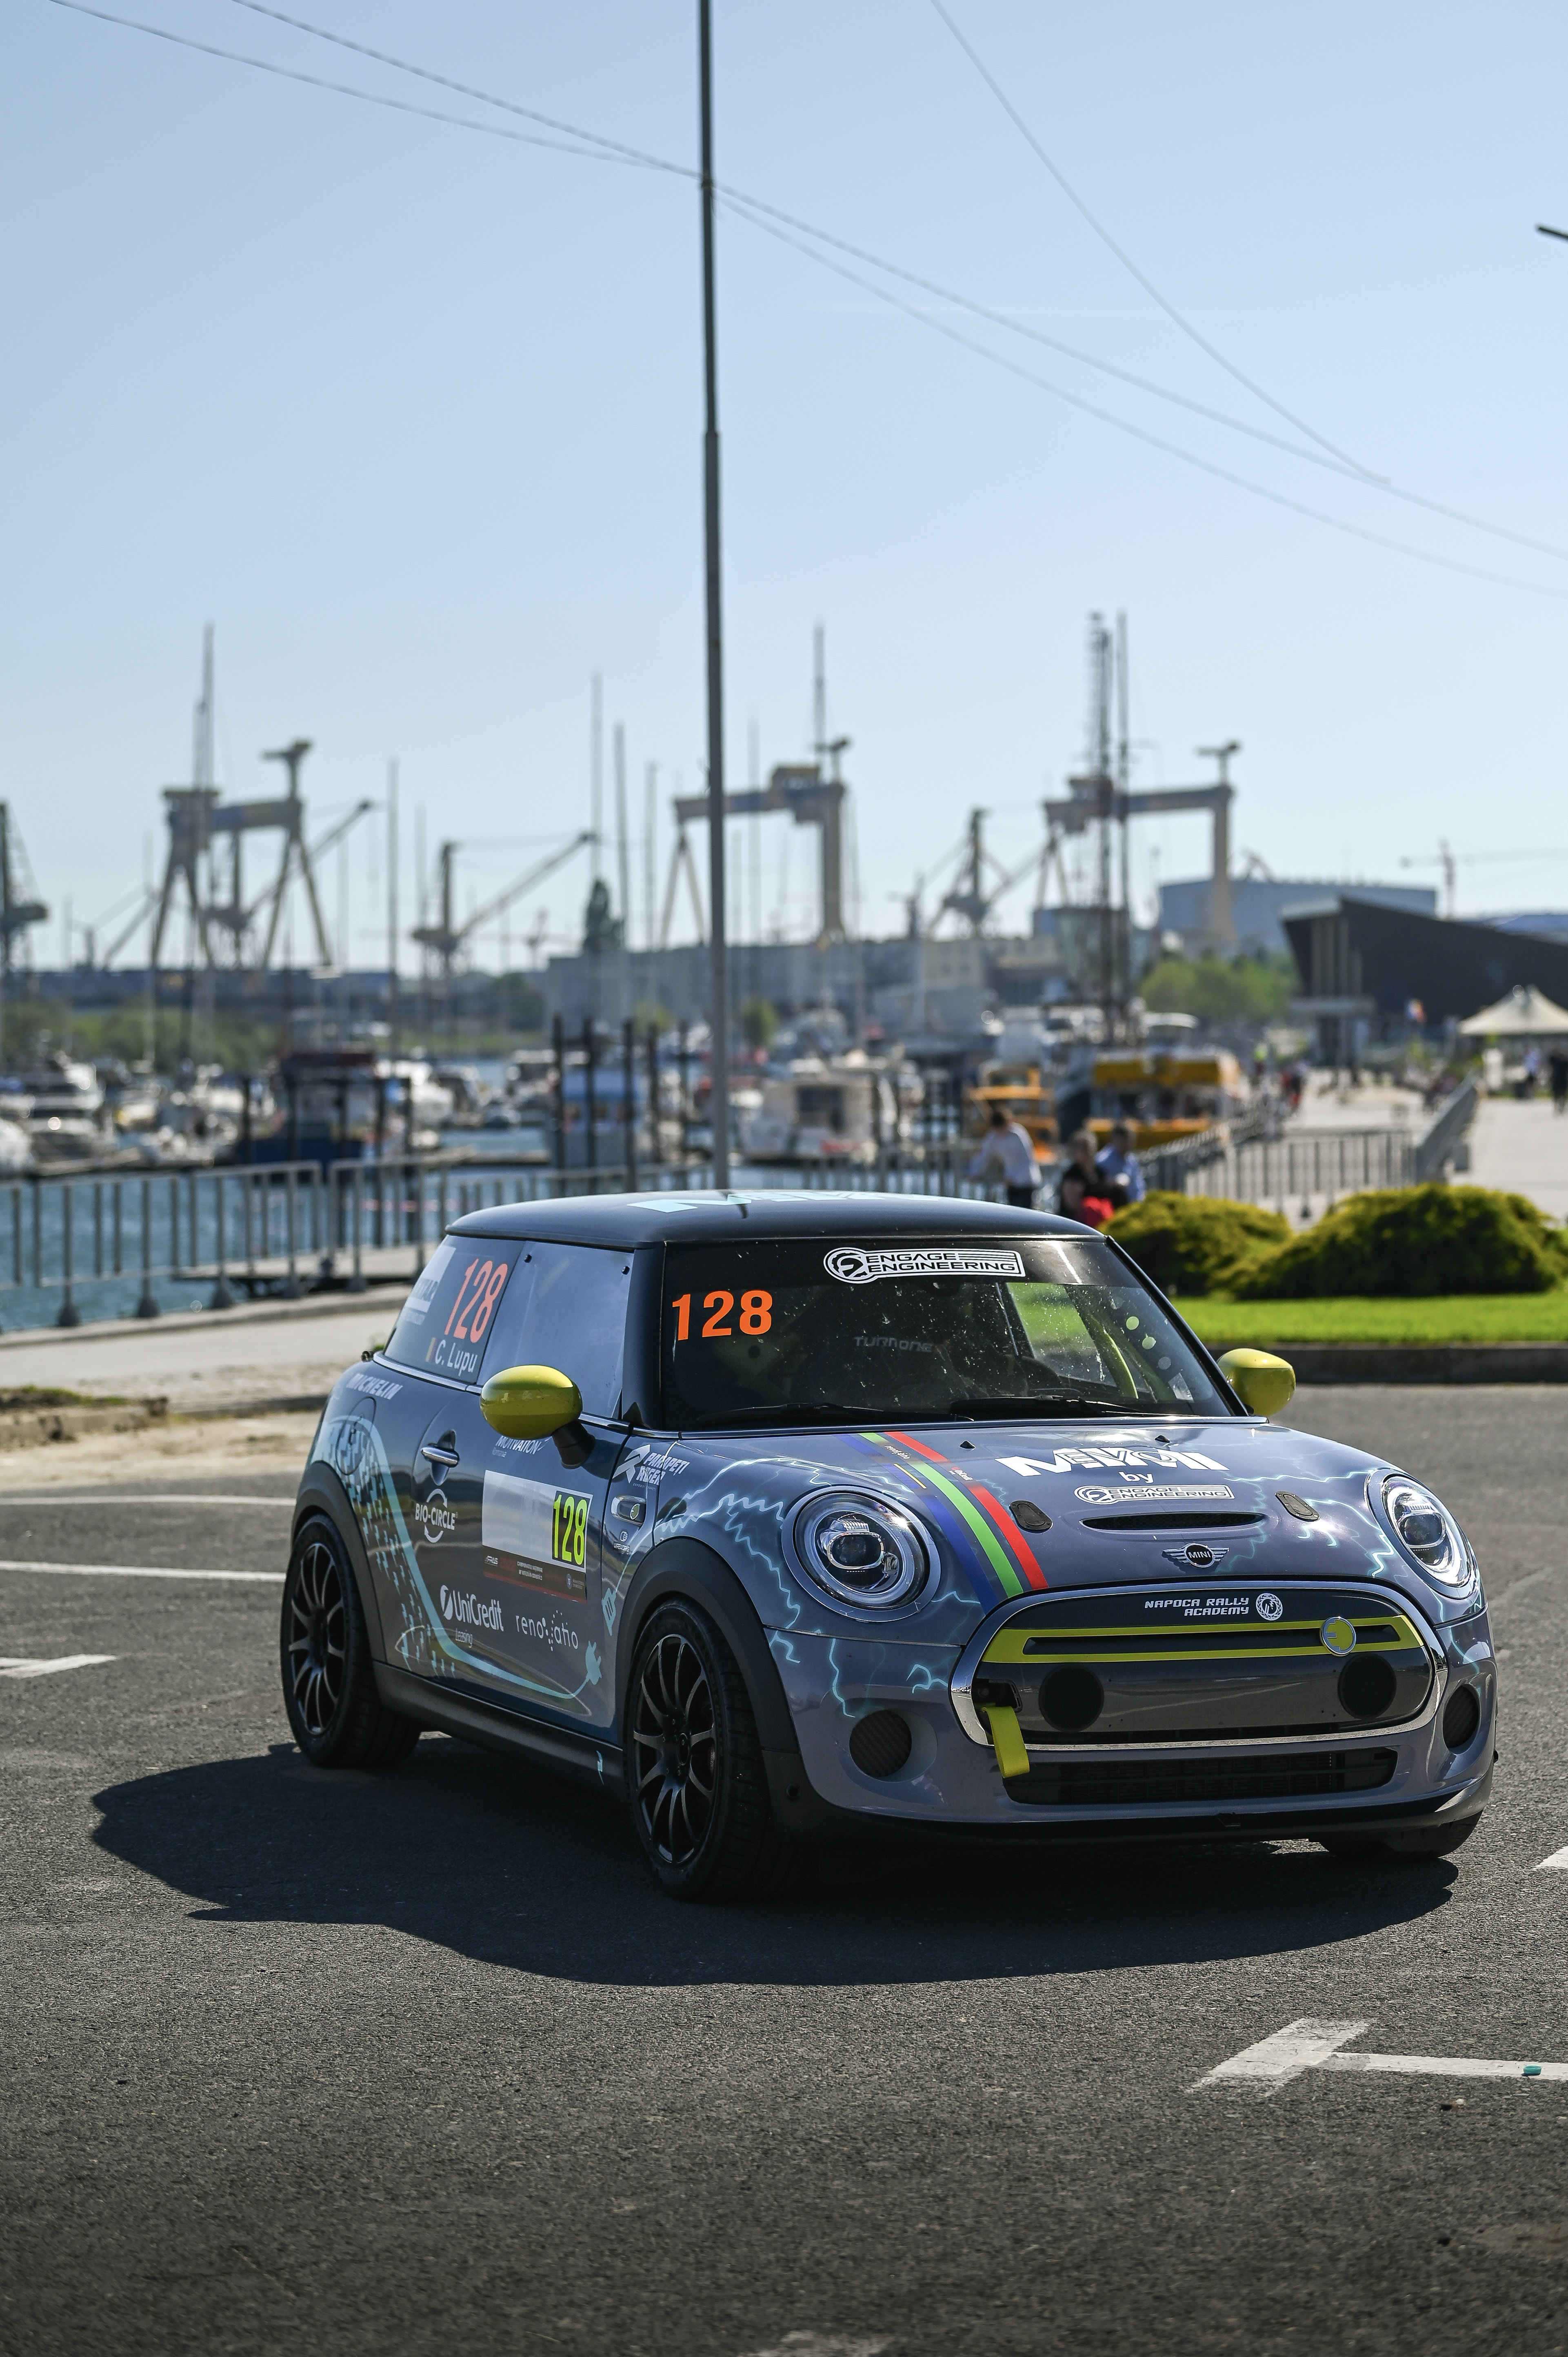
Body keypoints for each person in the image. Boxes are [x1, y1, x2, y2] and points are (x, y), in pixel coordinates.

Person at [967, 1102, 1039, 1208]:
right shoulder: (993, 1137)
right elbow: (984, 1157)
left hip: (1026, 1181)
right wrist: (974, 1173)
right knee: (1013, 1212)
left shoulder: (1018, 1134)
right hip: (1010, 1183)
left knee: (1028, 1212)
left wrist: (1015, 1178)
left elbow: (1028, 1160)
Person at [1094, 1117, 1146, 1210]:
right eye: (1122, 1142)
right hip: (1114, 1209)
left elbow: (1139, 1187)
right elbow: (1101, 1188)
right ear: (1114, 1140)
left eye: (1128, 1141)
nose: (1125, 1145)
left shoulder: (1132, 1160)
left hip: (1135, 1208)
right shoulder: (1102, 1161)